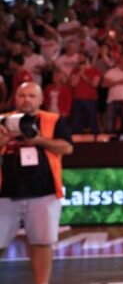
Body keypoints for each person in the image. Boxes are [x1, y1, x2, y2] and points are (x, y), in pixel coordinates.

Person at [0, 82, 73, 284]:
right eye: (22, 95)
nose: (26, 100)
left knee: (42, 243)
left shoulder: (53, 120)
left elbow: (67, 148)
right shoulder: (2, 120)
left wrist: (39, 141)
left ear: (41, 100)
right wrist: (3, 141)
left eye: (32, 96)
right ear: (15, 99)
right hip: (5, 195)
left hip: (44, 193)